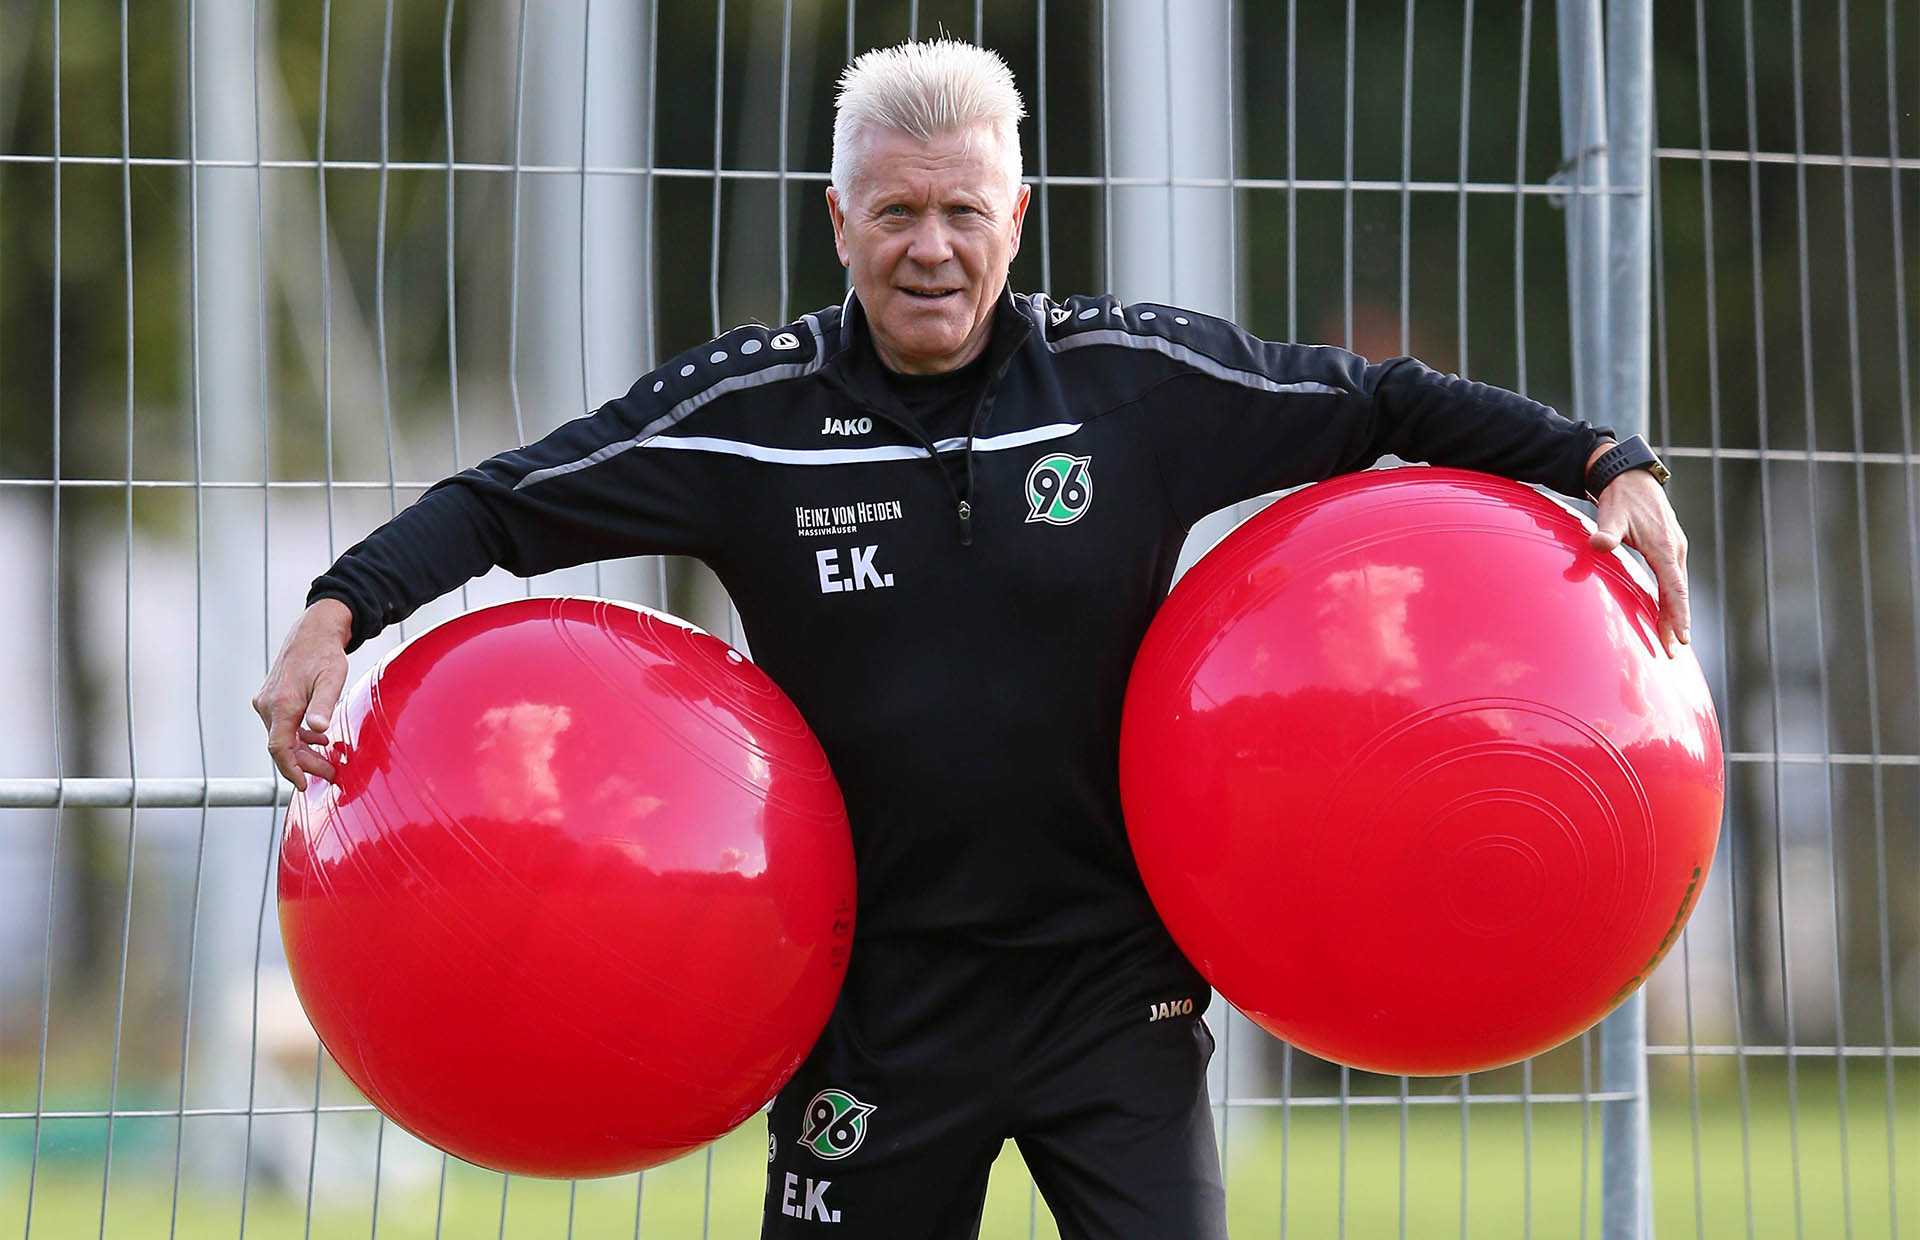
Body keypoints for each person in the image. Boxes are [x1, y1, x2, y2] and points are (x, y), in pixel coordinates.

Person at [253, 38, 1689, 1240]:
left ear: (1018, 214)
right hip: (872, 998)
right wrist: (340, 610)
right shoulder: (749, 419)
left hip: (1108, 994)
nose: (930, 249)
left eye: (962, 212)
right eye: (895, 214)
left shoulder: (1135, 383)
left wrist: (1603, 457)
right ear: (838, 221)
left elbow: (1377, 403)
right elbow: (505, 502)